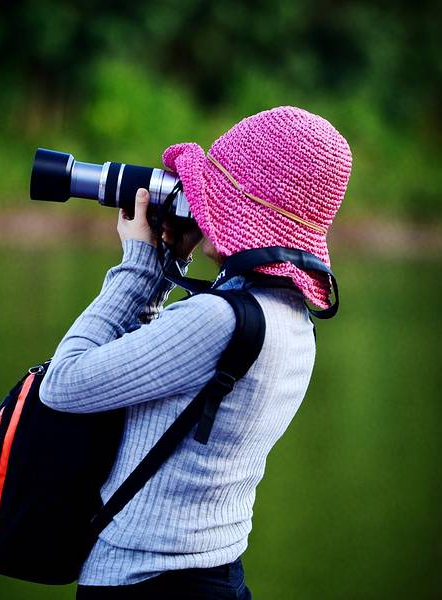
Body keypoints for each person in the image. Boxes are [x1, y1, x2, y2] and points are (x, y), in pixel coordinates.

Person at [39, 106, 352, 599]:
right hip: (214, 575)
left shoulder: (218, 319)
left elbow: (62, 385)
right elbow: (153, 371)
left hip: (147, 582)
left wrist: (139, 266)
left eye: (211, 194)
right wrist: (171, 261)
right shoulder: (289, 318)